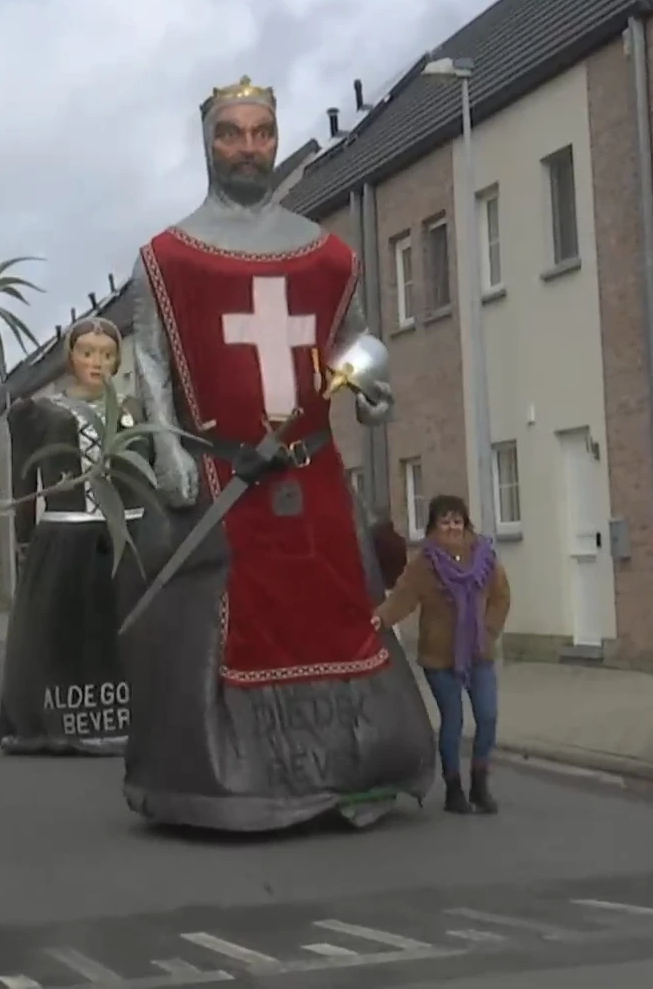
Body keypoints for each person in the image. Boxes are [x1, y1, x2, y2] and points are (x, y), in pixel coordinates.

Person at [120, 76, 434, 830]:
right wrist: (168, 454)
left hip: (313, 482)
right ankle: (230, 786)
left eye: (262, 132)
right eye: (232, 133)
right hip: (225, 482)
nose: (249, 148)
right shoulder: (168, 259)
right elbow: (152, 362)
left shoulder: (324, 256)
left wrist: (372, 381)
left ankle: (352, 772)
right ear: (208, 144)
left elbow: (349, 338)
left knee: (337, 615)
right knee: (228, 625)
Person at [0, 316, 146, 756]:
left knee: (127, 629)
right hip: (67, 538)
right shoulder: (42, 413)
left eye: (106, 353)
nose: (96, 362)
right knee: (64, 632)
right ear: (70, 358)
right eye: (86, 352)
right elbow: (24, 481)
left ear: (118, 359)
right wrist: (24, 535)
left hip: (127, 536)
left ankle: (132, 715)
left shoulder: (136, 411)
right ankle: (57, 721)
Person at [372, 495, 511, 815]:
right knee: (454, 721)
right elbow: (403, 598)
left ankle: (479, 783)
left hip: (479, 653)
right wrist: (379, 618)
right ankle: (453, 789)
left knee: (488, 716)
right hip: (439, 658)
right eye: (445, 522)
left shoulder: (485, 557)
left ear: (465, 524)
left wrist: (488, 630)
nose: (452, 527)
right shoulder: (425, 564)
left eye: (457, 521)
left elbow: (501, 597)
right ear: (434, 526)